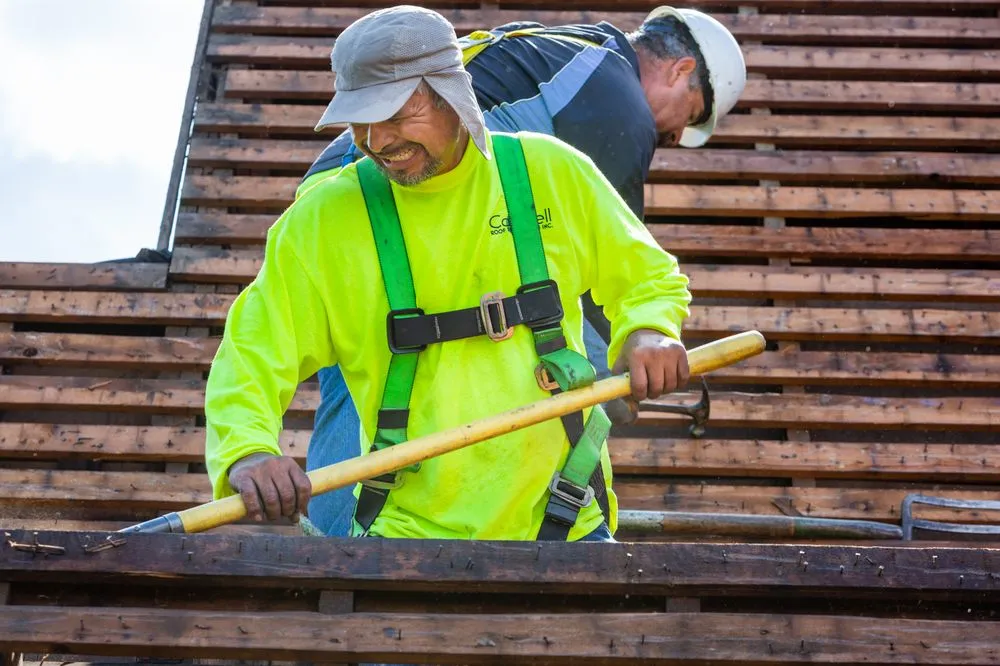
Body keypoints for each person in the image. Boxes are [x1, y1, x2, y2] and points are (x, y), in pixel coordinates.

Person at [205, 4, 696, 545]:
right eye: (360, 120)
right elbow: (254, 349)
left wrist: (649, 329)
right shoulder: (324, 220)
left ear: (453, 91)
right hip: (406, 537)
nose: (377, 140)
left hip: (565, 523)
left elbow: (646, 275)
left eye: (397, 113)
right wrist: (246, 450)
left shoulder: (550, 172)